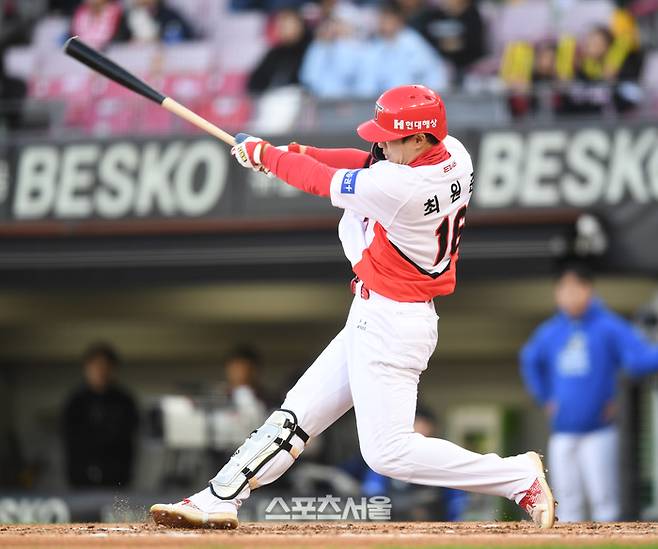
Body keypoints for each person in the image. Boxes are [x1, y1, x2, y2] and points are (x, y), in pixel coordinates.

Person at [150, 84, 556, 530]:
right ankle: (219, 495)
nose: (381, 143)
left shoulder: (401, 189)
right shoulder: (453, 152)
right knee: (298, 412)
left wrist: (268, 157)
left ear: (419, 138)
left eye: (391, 136)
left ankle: (516, 476)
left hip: (392, 320)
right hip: (379, 311)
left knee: (388, 453)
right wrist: (295, 150)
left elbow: (320, 180)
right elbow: (364, 162)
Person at [520, 262, 658, 522]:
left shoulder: (608, 327)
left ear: (588, 290)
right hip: (562, 430)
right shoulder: (550, 332)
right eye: (562, 289)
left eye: (575, 288)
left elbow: (638, 359)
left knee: (604, 501)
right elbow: (529, 360)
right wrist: (544, 397)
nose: (568, 295)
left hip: (599, 429)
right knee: (564, 502)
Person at [62, 343, 139, 488]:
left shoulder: (125, 401)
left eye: (105, 366)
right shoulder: (75, 402)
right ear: (86, 368)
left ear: (113, 369)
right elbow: (73, 439)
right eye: (96, 366)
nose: (101, 371)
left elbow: (126, 436)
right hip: (80, 480)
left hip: (117, 480)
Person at [355, 3, 448, 97]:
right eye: (383, 21)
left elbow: (434, 72)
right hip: (383, 102)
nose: (386, 25)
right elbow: (366, 85)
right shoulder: (373, 48)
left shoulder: (413, 42)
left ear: (399, 21)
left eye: (389, 21)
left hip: (414, 100)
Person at [412, 0, 485, 82]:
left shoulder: (474, 16)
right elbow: (423, 43)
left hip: (470, 71)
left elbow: (475, 47)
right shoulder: (431, 16)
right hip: (437, 68)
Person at [247, 9, 311, 94]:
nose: (284, 30)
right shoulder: (275, 52)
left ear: (300, 25)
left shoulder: (311, 48)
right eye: (281, 26)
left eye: (288, 26)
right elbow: (255, 81)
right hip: (274, 98)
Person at [114, 0, 194, 44]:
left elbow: (188, 41)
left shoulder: (170, 16)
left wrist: (160, 40)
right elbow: (117, 45)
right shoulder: (126, 17)